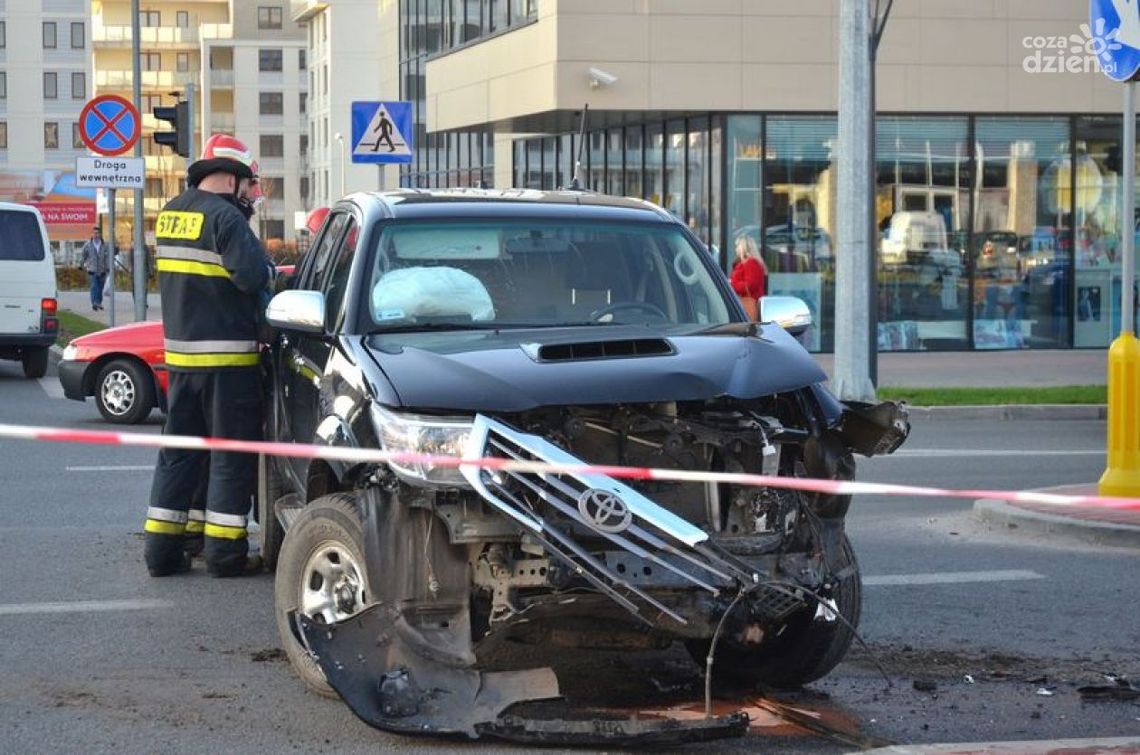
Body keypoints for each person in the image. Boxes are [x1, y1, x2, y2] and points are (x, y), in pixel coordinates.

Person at [144, 134, 271, 578]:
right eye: (249, 185)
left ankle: (162, 554)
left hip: (180, 365)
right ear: (233, 177)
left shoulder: (171, 213)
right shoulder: (227, 219)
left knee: (179, 456)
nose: (252, 194)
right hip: (229, 366)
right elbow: (253, 277)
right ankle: (224, 556)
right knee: (230, 458)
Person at [730, 234, 768, 321]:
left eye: (737, 246)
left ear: (744, 247)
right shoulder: (743, 263)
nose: (736, 249)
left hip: (748, 304)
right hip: (742, 303)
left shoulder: (751, 263)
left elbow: (750, 285)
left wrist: (732, 285)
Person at [79, 226, 110, 311]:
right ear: (92, 234)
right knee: (94, 286)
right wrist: (81, 265)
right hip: (92, 269)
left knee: (100, 287)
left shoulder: (104, 245)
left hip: (102, 269)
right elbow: (83, 255)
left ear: (100, 234)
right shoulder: (88, 245)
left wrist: (108, 267)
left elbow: (107, 257)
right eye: (94, 233)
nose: (96, 235)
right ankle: (94, 303)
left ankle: (99, 302)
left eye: (97, 233)